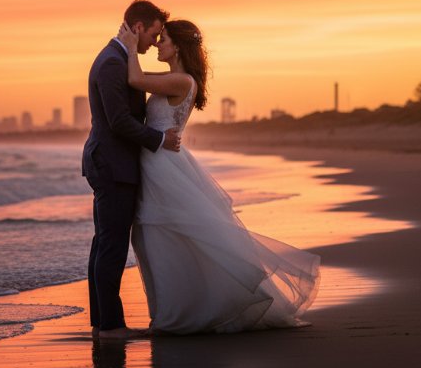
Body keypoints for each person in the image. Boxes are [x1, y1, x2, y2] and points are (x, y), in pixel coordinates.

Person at [118, 19, 320, 334]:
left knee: (163, 236)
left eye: (163, 39)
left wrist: (131, 47)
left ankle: (177, 316)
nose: (157, 44)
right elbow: (139, 78)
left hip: (164, 167)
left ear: (178, 47)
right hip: (161, 163)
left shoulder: (182, 81)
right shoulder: (174, 78)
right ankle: (176, 311)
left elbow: (135, 78)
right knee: (161, 237)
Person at [82, 0, 181, 341]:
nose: (154, 43)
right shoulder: (112, 62)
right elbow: (119, 121)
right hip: (112, 164)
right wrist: (160, 139)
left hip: (112, 162)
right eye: (153, 34)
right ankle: (110, 326)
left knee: (104, 242)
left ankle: (102, 322)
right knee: (111, 245)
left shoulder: (119, 58)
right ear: (138, 28)